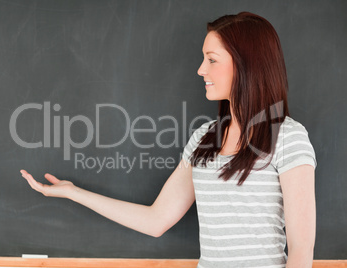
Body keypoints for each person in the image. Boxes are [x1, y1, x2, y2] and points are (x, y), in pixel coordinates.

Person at [21, 11, 317, 268]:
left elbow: (301, 250)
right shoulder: (204, 138)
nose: (201, 70)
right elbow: (157, 219)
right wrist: (74, 192)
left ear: (246, 65)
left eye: (211, 60)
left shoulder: (288, 138)